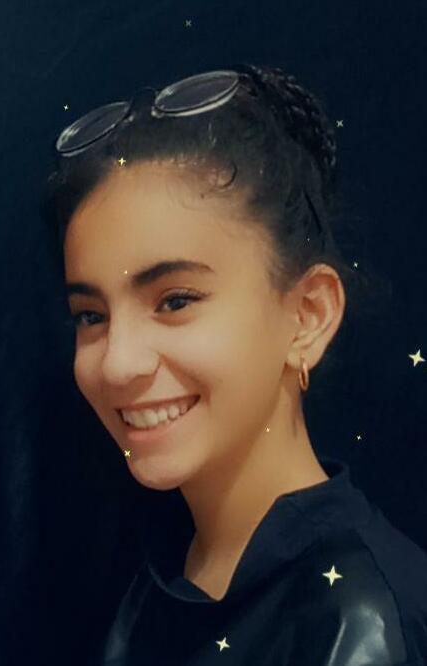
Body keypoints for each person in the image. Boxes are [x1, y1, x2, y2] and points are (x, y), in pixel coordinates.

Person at [39, 63, 427, 664]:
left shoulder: (356, 624)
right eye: (91, 315)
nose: (117, 363)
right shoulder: (166, 570)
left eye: (175, 301)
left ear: (308, 316)